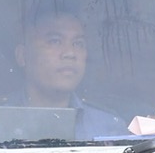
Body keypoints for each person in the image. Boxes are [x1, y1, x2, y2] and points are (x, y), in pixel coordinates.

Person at [10, 9, 127, 141]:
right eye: (55, 41)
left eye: (78, 43)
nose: (70, 53)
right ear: (23, 56)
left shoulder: (109, 129)